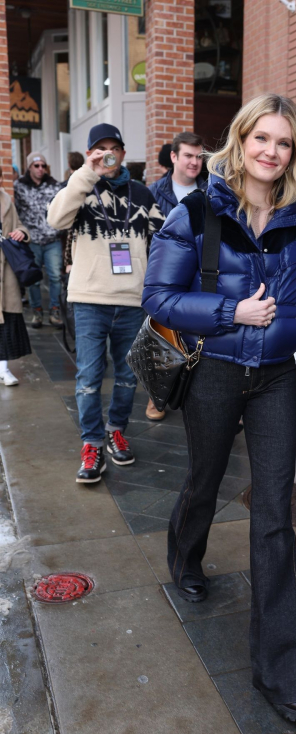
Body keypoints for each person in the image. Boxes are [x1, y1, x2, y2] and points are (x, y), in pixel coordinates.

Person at [143, 93, 296, 722]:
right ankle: (185, 554)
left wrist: (291, 329)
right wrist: (231, 313)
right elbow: (158, 297)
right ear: (241, 142)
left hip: (274, 379)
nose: (271, 152)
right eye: (261, 139)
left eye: (284, 143)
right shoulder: (196, 210)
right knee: (205, 481)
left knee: (274, 516)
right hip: (215, 372)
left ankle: (284, 671)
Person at [47, 123, 164, 484]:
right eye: (100, 149)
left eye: (113, 148)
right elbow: (55, 220)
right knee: (88, 376)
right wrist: (86, 171)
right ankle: (92, 442)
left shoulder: (142, 194)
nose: (108, 154)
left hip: (131, 300)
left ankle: (115, 429)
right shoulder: (80, 189)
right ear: (91, 152)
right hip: (89, 299)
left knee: (129, 376)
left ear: (124, 153)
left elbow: (162, 242)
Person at [145, 132, 207, 422]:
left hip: (204, 278)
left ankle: (214, 398)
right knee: (162, 336)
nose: (195, 162)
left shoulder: (212, 190)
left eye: (199, 156)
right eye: (188, 156)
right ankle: (157, 395)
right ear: (173, 157)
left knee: (202, 339)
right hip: (167, 277)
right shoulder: (154, 193)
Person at [14, 152, 62, 329]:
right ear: (29, 167)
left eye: (43, 165)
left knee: (55, 277)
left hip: (52, 239)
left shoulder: (54, 186)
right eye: (36, 166)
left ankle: (55, 311)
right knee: (33, 278)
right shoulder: (19, 186)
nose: (40, 169)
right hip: (31, 240)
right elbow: (15, 212)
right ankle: (37, 312)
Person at [0, 165, 31, 385]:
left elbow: (20, 225)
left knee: (6, 321)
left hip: (6, 269)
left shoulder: (6, 201)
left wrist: (22, 232)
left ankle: (3, 368)